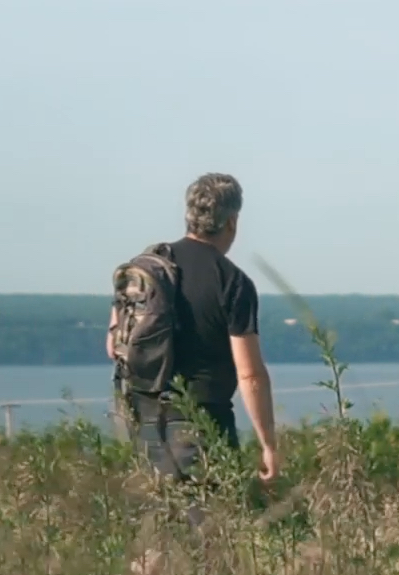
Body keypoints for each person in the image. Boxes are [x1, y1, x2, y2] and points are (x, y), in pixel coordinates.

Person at [108, 172, 280, 485]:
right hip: (201, 425)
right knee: (210, 525)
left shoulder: (146, 268)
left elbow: (114, 344)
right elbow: (250, 374)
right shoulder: (232, 281)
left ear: (189, 215)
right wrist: (268, 444)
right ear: (232, 221)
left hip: (143, 421)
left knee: (157, 526)